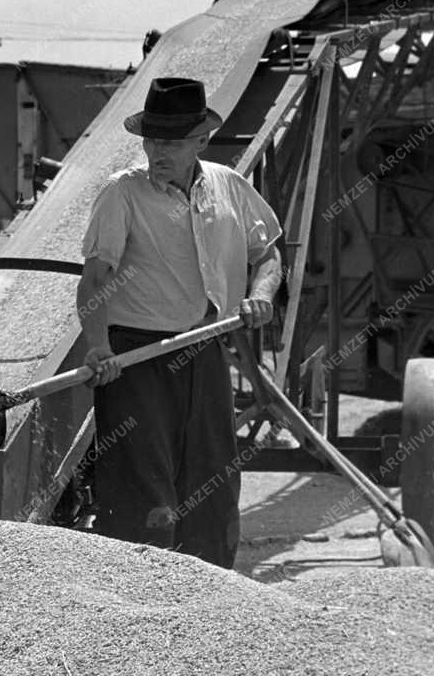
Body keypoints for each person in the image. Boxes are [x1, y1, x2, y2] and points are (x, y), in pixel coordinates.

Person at [76, 77, 283, 569]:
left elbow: (269, 255)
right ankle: (134, 592)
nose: (158, 151)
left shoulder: (229, 186)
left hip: (206, 348)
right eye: (153, 140)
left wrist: (259, 296)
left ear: (200, 141)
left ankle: (210, 588)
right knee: (143, 483)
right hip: (137, 357)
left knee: (213, 475)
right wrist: (99, 346)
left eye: (171, 141)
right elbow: (94, 278)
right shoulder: (122, 194)